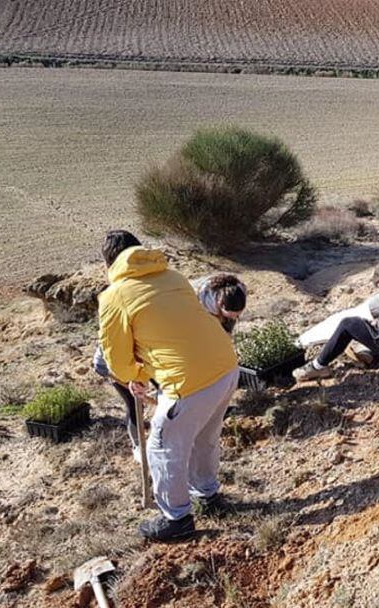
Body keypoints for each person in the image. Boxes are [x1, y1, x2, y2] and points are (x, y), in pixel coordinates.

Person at [97, 230, 240, 541]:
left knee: (162, 447)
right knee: (204, 436)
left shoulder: (114, 296)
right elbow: (174, 335)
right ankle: (207, 495)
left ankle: (176, 519)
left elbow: (116, 361)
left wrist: (135, 374)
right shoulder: (173, 276)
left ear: (109, 263)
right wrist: (146, 371)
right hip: (226, 367)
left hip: (187, 383)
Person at [92, 273, 247, 460]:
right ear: (219, 304)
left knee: (166, 393)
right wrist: (136, 378)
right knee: (135, 403)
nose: (234, 318)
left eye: (236, 315)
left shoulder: (234, 291)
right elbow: (122, 360)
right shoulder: (129, 328)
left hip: (151, 358)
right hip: (112, 364)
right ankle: (139, 447)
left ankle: (174, 426)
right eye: (229, 314)